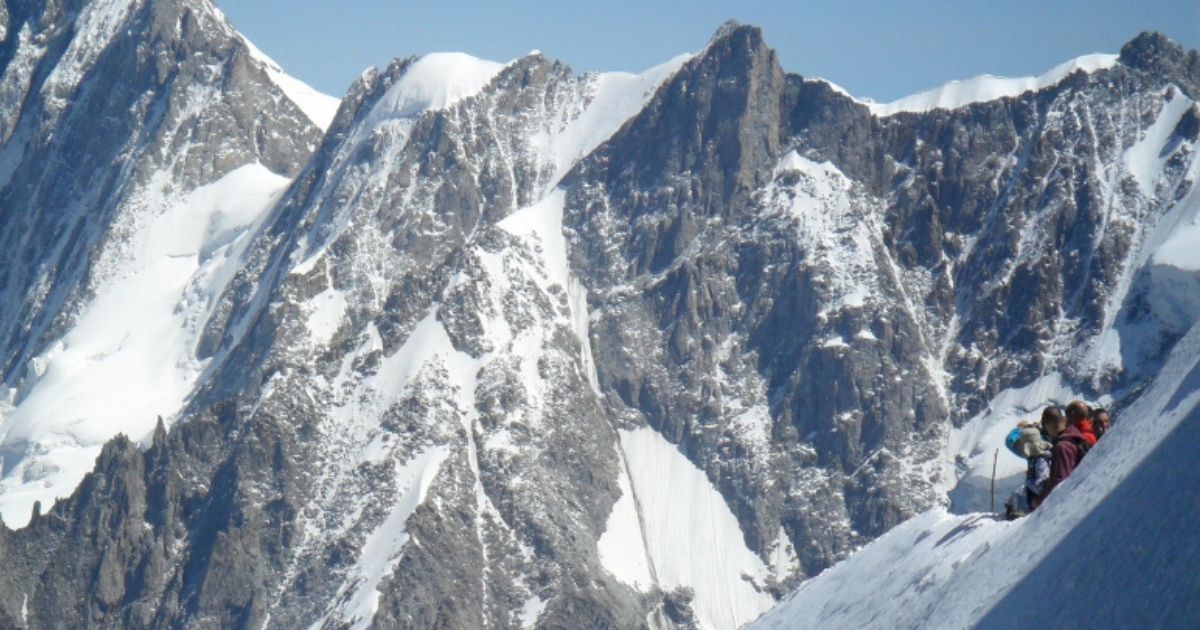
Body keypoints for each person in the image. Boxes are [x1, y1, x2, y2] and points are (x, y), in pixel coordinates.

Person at [1038, 404, 1088, 505]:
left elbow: (1060, 482)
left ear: (1050, 424)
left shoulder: (1062, 447)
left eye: (1045, 425)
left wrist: (1038, 501)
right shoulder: (1076, 436)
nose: (1046, 430)